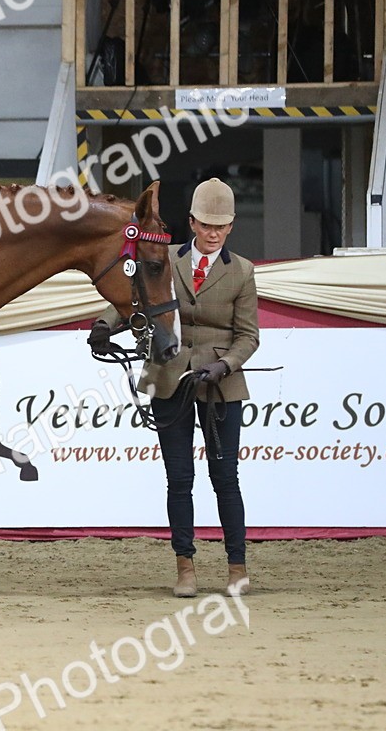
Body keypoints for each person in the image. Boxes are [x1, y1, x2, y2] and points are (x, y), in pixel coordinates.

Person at [89, 178, 260, 598]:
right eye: (205, 224)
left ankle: (236, 566)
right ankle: (186, 566)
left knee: (225, 477)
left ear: (231, 226)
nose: (213, 232)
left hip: (220, 385)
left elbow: (249, 336)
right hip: (168, 377)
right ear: (192, 223)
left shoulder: (242, 271)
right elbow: (136, 297)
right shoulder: (165, 258)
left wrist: (224, 365)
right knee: (179, 478)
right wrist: (102, 324)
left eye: (220, 226)